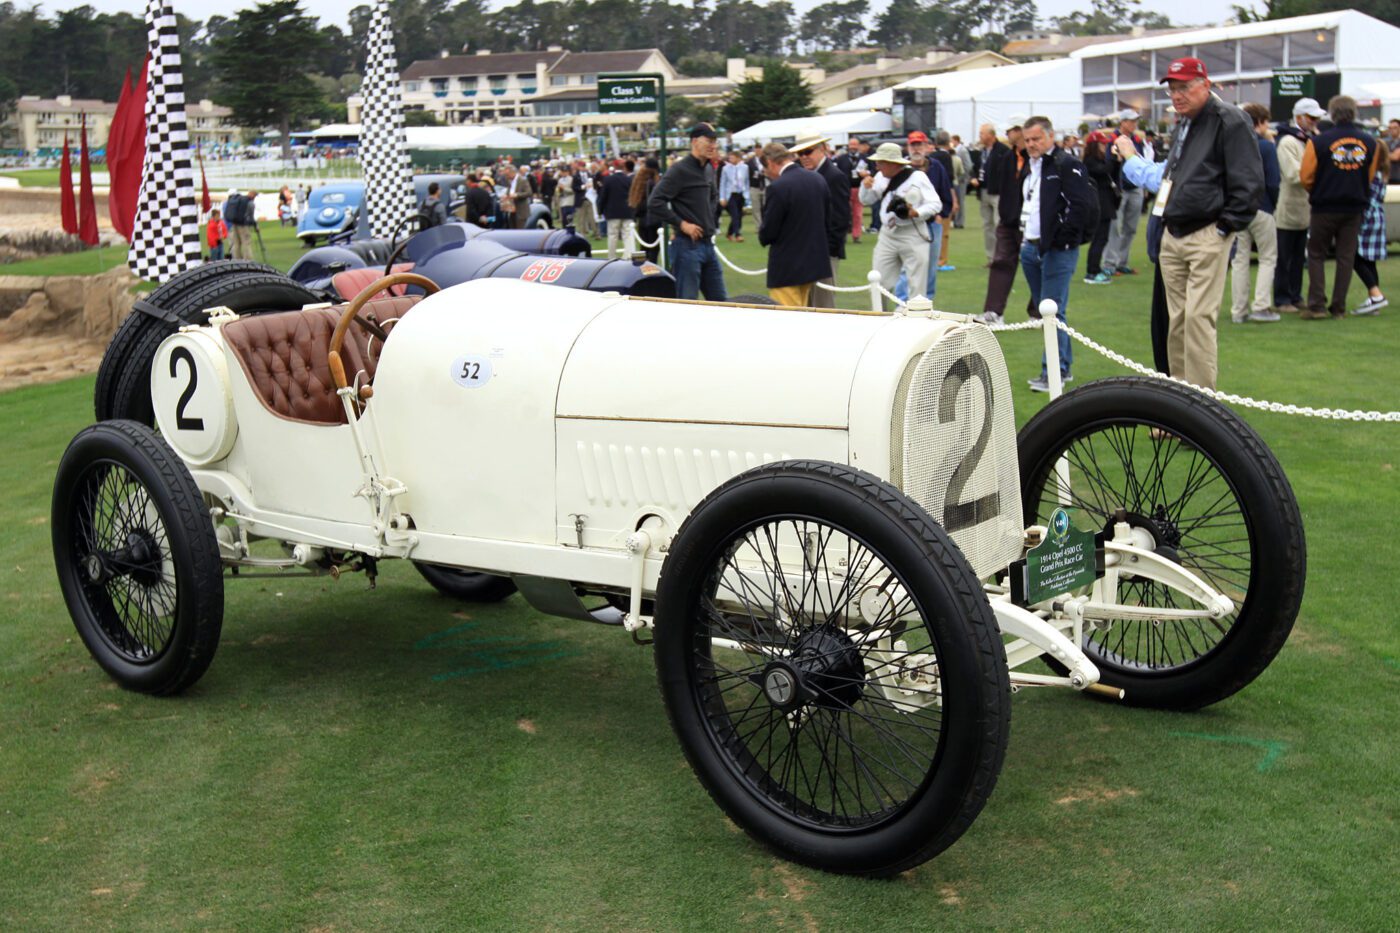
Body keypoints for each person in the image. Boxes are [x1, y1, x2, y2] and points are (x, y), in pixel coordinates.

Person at [1149, 57, 1263, 390]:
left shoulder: (1230, 120)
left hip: (1207, 232)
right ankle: (1179, 405)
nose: (1176, 95)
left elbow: (1249, 182)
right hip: (1174, 231)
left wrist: (1225, 227)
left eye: (1184, 87)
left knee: (1198, 320)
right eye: (1172, 88)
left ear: (1205, 85)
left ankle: (1200, 410)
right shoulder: (1183, 122)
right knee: (1178, 322)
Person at [1018, 116, 1093, 392]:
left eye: (1036, 138)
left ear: (1050, 136)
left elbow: (1079, 206)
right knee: (1048, 310)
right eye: (1027, 140)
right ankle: (1063, 366)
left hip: (1056, 249)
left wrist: (1062, 240)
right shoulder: (1032, 166)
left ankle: (1054, 372)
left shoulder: (1067, 164)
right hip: (1031, 245)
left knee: (1052, 312)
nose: (1031, 144)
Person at [1301, 95, 1381, 321]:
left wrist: (1317, 191)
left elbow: (1306, 176)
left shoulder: (1318, 142)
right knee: (1345, 257)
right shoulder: (1370, 142)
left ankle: (1316, 306)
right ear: (1354, 113)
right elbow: (1370, 175)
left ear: (1332, 114)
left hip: (1324, 206)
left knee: (1316, 254)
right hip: (1354, 207)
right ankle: (1339, 308)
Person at [649, 123, 726, 301]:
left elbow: (713, 197)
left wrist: (708, 218)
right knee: (688, 302)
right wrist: (682, 224)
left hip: (707, 244)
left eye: (715, 141)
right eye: (708, 141)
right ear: (694, 141)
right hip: (687, 246)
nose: (713, 146)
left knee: (722, 302)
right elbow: (655, 202)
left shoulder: (708, 168)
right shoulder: (679, 170)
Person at [859, 142, 940, 304]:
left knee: (917, 284)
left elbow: (935, 204)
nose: (877, 166)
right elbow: (866, 200)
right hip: (888, 234)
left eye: (880, 162)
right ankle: (879, 316)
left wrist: (916, 213)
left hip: (913, 232)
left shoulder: (917, 177)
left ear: (892, 163)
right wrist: (865, 187)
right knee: (879, 280)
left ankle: (916, 322)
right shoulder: (880, 177)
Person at [757, 142, 832, 307]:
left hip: (787, 265)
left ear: (770, 162)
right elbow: (827, 219)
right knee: (801, 314)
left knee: (787, 320)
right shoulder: (817, 179)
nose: (767, 172)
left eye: (766, 167)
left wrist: (762, 233)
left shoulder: (778, 187)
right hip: (813, 260)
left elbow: (769, 232)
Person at [1229, 103, 1281, 324]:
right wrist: (1273, 204)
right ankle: (1261, 306)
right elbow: (1273, 181)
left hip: (1237, 207)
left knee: (1240, 260)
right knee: (1267, 257)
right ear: (1260, 122)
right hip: (1262, 206)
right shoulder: (1267, 147)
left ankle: (1238, 310)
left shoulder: (1232, 145)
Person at [1274, 97, 1326, 313]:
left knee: (1298, 257)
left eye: (1316, 118)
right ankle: (1282, 298)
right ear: (1299, 117)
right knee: (1284, 257)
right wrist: (1322, 174)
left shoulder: (1310, 138)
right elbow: (1294, 174)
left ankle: (1295, 295)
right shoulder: (1288, 141)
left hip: (1305, 206)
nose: (1315, 122)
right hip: (1289, 206)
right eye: (1312, 118)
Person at [792, 132, 851, 308]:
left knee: (823, 305)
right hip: (804, 251)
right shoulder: (802, 174)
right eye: (800, 153)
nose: (803, 157)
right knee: (805, 304)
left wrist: (827, 252)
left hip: (825, 253)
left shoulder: (835, 177)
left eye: (808, 151)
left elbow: (840, 220)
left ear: (822, 149)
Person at [980, 126, 1027, 325]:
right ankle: (993, 312)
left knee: (1037, 267)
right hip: (1008, 221)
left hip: (1031, 223)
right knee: (1001, 263)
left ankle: (1039, 313)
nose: (1007, 134)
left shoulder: (1039, 160)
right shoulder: (1008, 157)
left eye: (1011, 130)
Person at [904, 132, 953, 298]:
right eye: (913, 145)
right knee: (907, 266)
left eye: (919, 145)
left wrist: (942, 214)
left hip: (932, 223)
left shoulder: (936, 166)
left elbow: (945, 191)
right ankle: (901, 303)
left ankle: (927, 302)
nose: (916, 149)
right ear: (908, 147)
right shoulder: (902, 167)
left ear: (926, 147)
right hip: (907, 224)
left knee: (931, 267)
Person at [1102, 109, 1146, 277]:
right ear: (1123, 122)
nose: (1135, 124)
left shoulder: (1136, 140)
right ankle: (1109, 263)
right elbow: (1109, 163)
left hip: (1135, 187)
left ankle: (1122, 262)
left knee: (1130, 228)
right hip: (1119, 189)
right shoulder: (1113, 140)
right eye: (1132, 121)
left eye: (1135, 121)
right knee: (1115, 228)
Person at [1353, 140, 1390, 315]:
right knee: (1369, 260)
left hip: (1367, 218)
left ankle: (1375, 294)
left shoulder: (1372, 173)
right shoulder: (1383, 172)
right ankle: (1374, 298)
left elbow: (1367, 200)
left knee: (1355, 256)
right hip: (1377, 218)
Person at [1081, 133, 1119, 285]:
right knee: (1099, 238)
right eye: (1102, 144)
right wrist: (1114, 159)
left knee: (1102, 238)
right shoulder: (1090, 161)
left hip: (1105, 203)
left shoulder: (1099, 159)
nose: (1105, 146)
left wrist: (1114, 161)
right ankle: (1092, 271)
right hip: (1099, 204)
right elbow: (1104, 171)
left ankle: (1095, 269)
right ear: (1095, 145)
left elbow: (1111, 172)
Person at [971, 123, 1009, 263]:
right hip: (983, 191)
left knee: (999, 225)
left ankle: (1002, 257)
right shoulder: (982, 151)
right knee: (987, 226)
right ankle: (991, 257)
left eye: (982, 133)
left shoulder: (1003, 151)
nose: (980, 136)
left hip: (998, 193)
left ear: (991, 135)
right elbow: (980, 169)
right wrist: (976, 179)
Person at [930, 130, 959, 270]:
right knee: (944, 232)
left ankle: (933, 259)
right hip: (942, 198)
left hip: (929, 197)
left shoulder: (931, 156)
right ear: (948, 142)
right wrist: (954, 200)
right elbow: (949, 180)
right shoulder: (946, 157)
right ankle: (942, 260)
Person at [597, 160, 636, 259]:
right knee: (627, 235)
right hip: (627, 211)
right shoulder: (629, 180)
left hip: (612, 212)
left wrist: (600, 210)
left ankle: (612, 256)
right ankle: (628, 255)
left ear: (614, 167)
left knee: (612, 235)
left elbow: (603, 197)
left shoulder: (608, 180)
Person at [629, 158, 662, 263]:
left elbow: (637, 204)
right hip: (653, 219)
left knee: (643, 249)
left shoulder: (638, 182)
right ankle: (651, 272)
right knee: (653, 250)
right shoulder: (653, 183)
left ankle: (642, 270)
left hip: (642, 220)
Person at [842, 136, 870, 243]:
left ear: (858, 146)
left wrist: (867, 174)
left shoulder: (865, 158)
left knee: (857, 214)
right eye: (851, 144)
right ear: (848, 146)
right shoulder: (841, 159)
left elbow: (872, 170)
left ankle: (856, 235)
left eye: (855, 144)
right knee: (844, 213)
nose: (853, 147)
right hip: (845, 189)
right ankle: (843, 234)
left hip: (859, 188)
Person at [718, 150, 750, 242]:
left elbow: (747, 182)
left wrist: (747, 195)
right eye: (729, 158)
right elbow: (722, 183)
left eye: (732, 157)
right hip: (730, 194)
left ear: (738, 158)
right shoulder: (726, 168)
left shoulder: (745, 167)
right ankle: (738, 234)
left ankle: (729, 233)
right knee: (735, 215)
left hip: (741, 193)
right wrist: (722, 197)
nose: (730, 159)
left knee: (739, 215)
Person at [224, 188, 257, 260]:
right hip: (243, 225)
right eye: (255, 195)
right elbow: (250, 216)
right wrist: (254, 225)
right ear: (252, 194)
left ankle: (237, 259)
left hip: (235, 223)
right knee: (246, 242)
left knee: (236, 243)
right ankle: (248, 259)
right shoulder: (249, 202)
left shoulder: (239, 199)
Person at [951, 134, 973, 229]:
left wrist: (963, 177)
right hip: (957, 180)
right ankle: (956, 220)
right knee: (957, 201)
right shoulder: (957, 150)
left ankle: (960, 222)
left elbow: (968, 165)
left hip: (961, 180)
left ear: (956, 140)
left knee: (961, 201)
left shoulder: (963, 151)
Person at [1387, 119, 1400, 183]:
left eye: (1395, 128)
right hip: (1388, 176)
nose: (1392, 130)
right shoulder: (1386, 142)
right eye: (1390, 128)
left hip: (1398, 177)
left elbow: (1396, 157)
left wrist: (1384, 155)